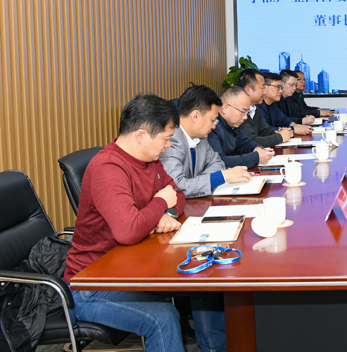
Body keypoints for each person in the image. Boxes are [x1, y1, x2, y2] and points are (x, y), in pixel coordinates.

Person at [64, 95, 226, 352]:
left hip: (133, 265)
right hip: (92, 285)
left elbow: (178, 194)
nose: (168, 145)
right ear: (141, 136)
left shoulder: (149, 160)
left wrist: (164, 214)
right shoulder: (108, 168)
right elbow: (129, 230)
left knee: (206, 283)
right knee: (163, 318)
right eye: (165, 138)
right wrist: (160, 203)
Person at [159, 85, 252, 198]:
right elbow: (177, 187)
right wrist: (220, 177)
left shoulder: (201, 137)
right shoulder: (170, 140)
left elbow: (218, 163)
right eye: (213, 120)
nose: (214, 126)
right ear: (195, 116)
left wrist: (198, 182)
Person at [208, 86, 274, 168]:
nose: (245, 117)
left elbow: (245, 143)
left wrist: (257, 149)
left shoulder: (233, 123)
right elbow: (219, 161)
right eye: (242, 111)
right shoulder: (212, 127)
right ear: (225, 108)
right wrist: (255, 157)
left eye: (247, 113)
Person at [236, 69, 293, 148]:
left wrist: (282, 131)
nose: (264, 91)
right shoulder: (238, 111)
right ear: (248, 90)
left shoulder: (255, 108)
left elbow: (265, 131)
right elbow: (251, 141)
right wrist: (280, 137)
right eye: (262, 87)